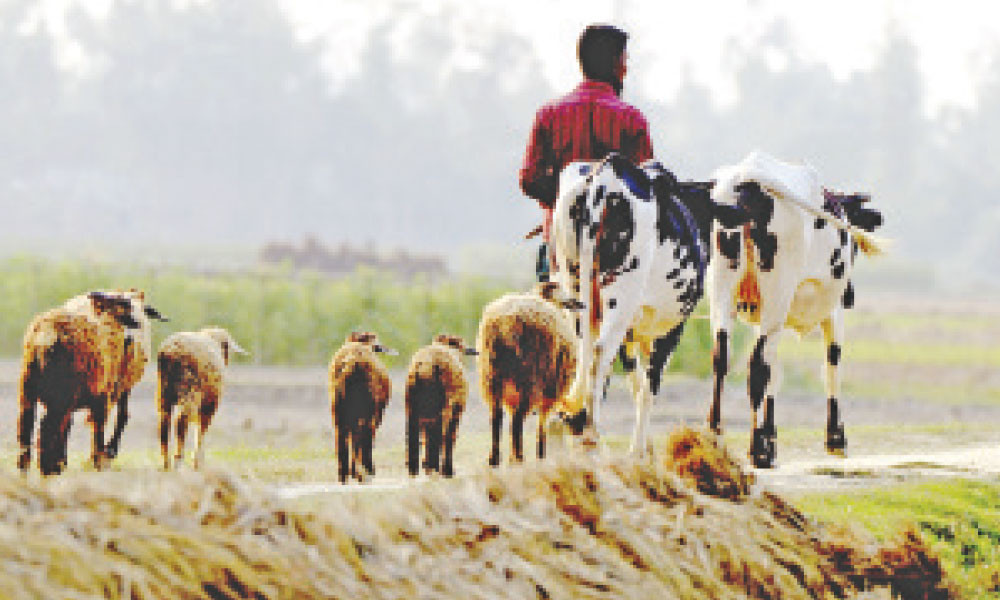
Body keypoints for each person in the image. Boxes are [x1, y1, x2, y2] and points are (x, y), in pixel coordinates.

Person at [519, 24, 655, 282]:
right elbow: (646, 186)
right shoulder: (631, 119)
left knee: (557, 318)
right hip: (619, 259)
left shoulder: (549, 114)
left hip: (559, 248)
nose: (627, 69)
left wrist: (562, 201)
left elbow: (529, 178)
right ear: (616, 65)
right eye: (625, 60)